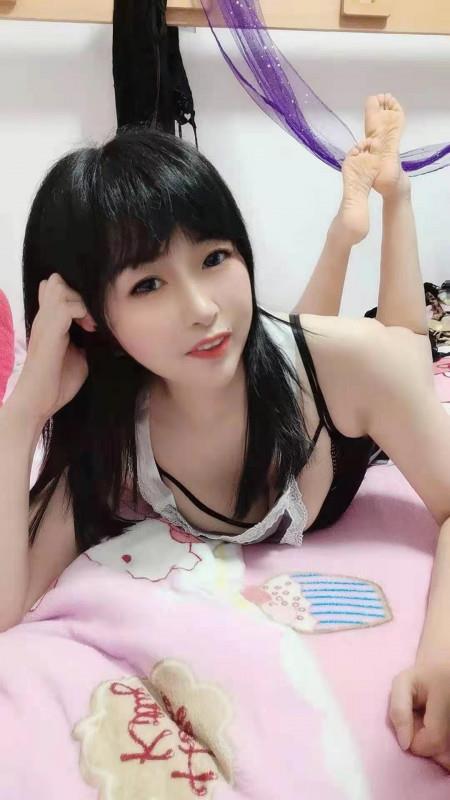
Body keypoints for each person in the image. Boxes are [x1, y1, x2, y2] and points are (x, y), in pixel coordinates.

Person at [0, 93, 449, 768]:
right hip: (279, 366)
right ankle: (344, 232)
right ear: (91, 317)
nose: (202, 307)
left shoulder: (356, 366)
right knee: (279, 345)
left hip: (339, 389)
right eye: (148, 285)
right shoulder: (118, 439)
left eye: (214, 257)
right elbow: (8, 603)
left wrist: (442, 653)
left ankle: (390, 198)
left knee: (404, 344)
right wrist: (21, 415)